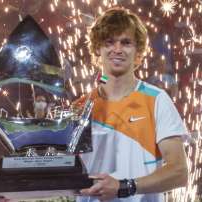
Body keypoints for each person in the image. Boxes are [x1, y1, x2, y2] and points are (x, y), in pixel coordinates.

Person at [73, 7, 188, 202]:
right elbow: (62, 173)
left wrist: (125, 187)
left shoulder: (157, 100)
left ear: (138, 51)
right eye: (109, 42)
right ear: (97, 49)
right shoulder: (80, 107)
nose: (117, 49)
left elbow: (179, 172)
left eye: (126, 43)